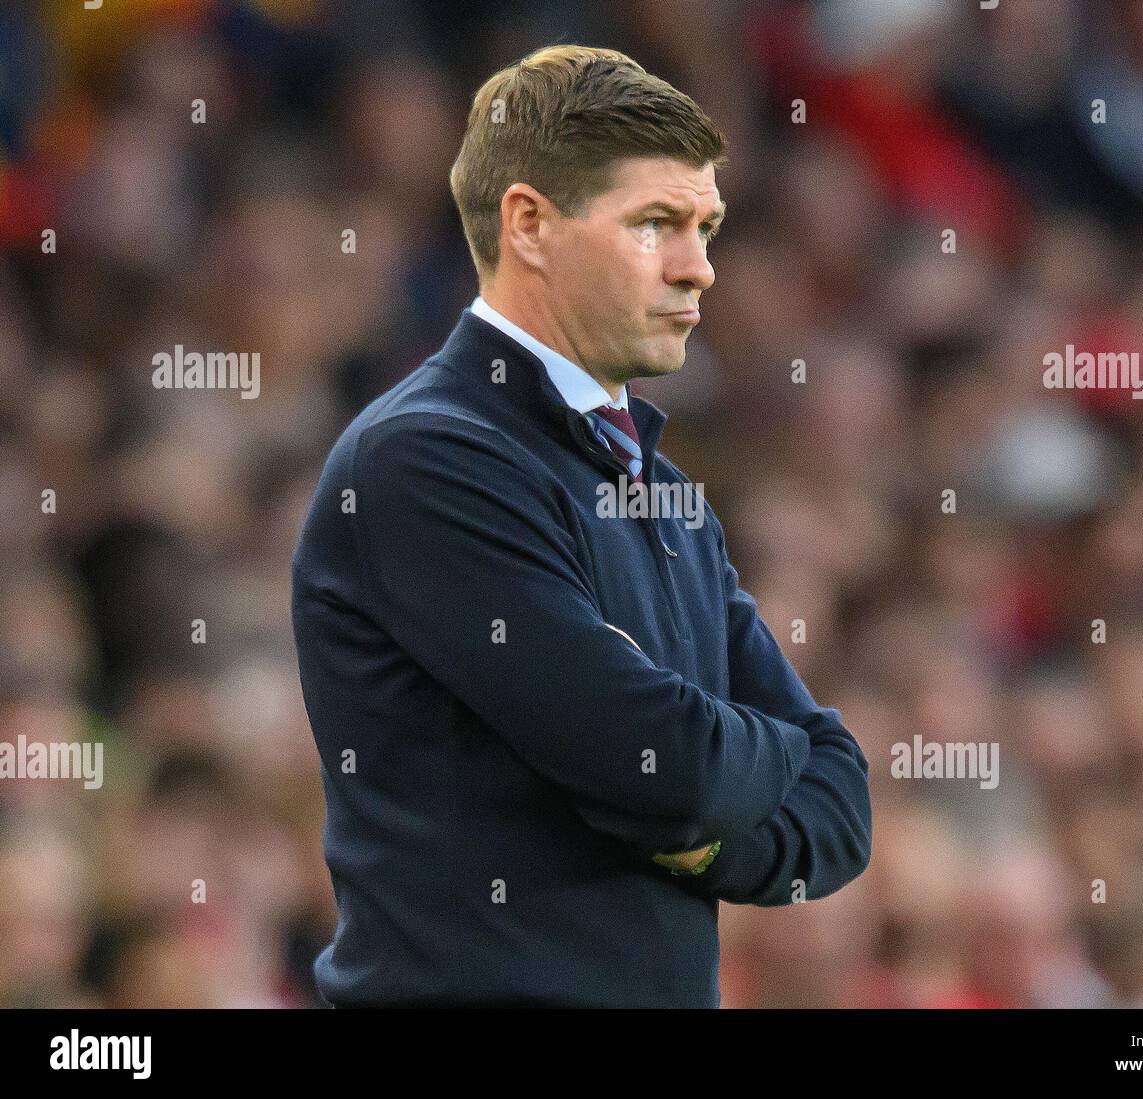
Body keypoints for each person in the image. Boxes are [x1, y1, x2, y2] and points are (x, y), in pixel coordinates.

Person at [291, 44, 872, 1008]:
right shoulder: (426, 460)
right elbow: (674, 765)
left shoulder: (661, 487)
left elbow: (842, 804)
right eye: (656, 225)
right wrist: (758, 757)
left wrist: (704, 821)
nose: (700, 268)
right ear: (529, 224)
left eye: (706, 227)